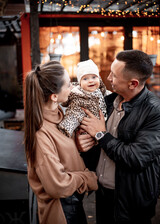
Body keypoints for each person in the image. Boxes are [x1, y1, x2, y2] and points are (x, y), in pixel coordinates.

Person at [76, 50, 160, 224]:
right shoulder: (107, 101)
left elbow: (136, 158)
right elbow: (98, 147)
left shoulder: (154, 111)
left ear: (133, 83)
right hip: (103, 194)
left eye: (114, 75)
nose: (108, 79)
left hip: (132, 201)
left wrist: (101, 134)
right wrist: (83, 146)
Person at [24, 61, 98, 224]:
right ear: (54, 96)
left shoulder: (62, 117)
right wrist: (87, 178)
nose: (72, 88)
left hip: (74, 202)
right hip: (62, 211)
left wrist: (77, 147)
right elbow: (57, 186)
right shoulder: (41, 133)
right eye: (68, 85)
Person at [58, 59, 111, 137]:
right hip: (86, 130)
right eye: (85, 79)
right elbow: (74, 113)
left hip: (101, 128)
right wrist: (66, 128)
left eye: (94, 77)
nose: (90, 81)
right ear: (80, 83)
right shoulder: (78, 95)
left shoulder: (102, 91)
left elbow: (108, 94)